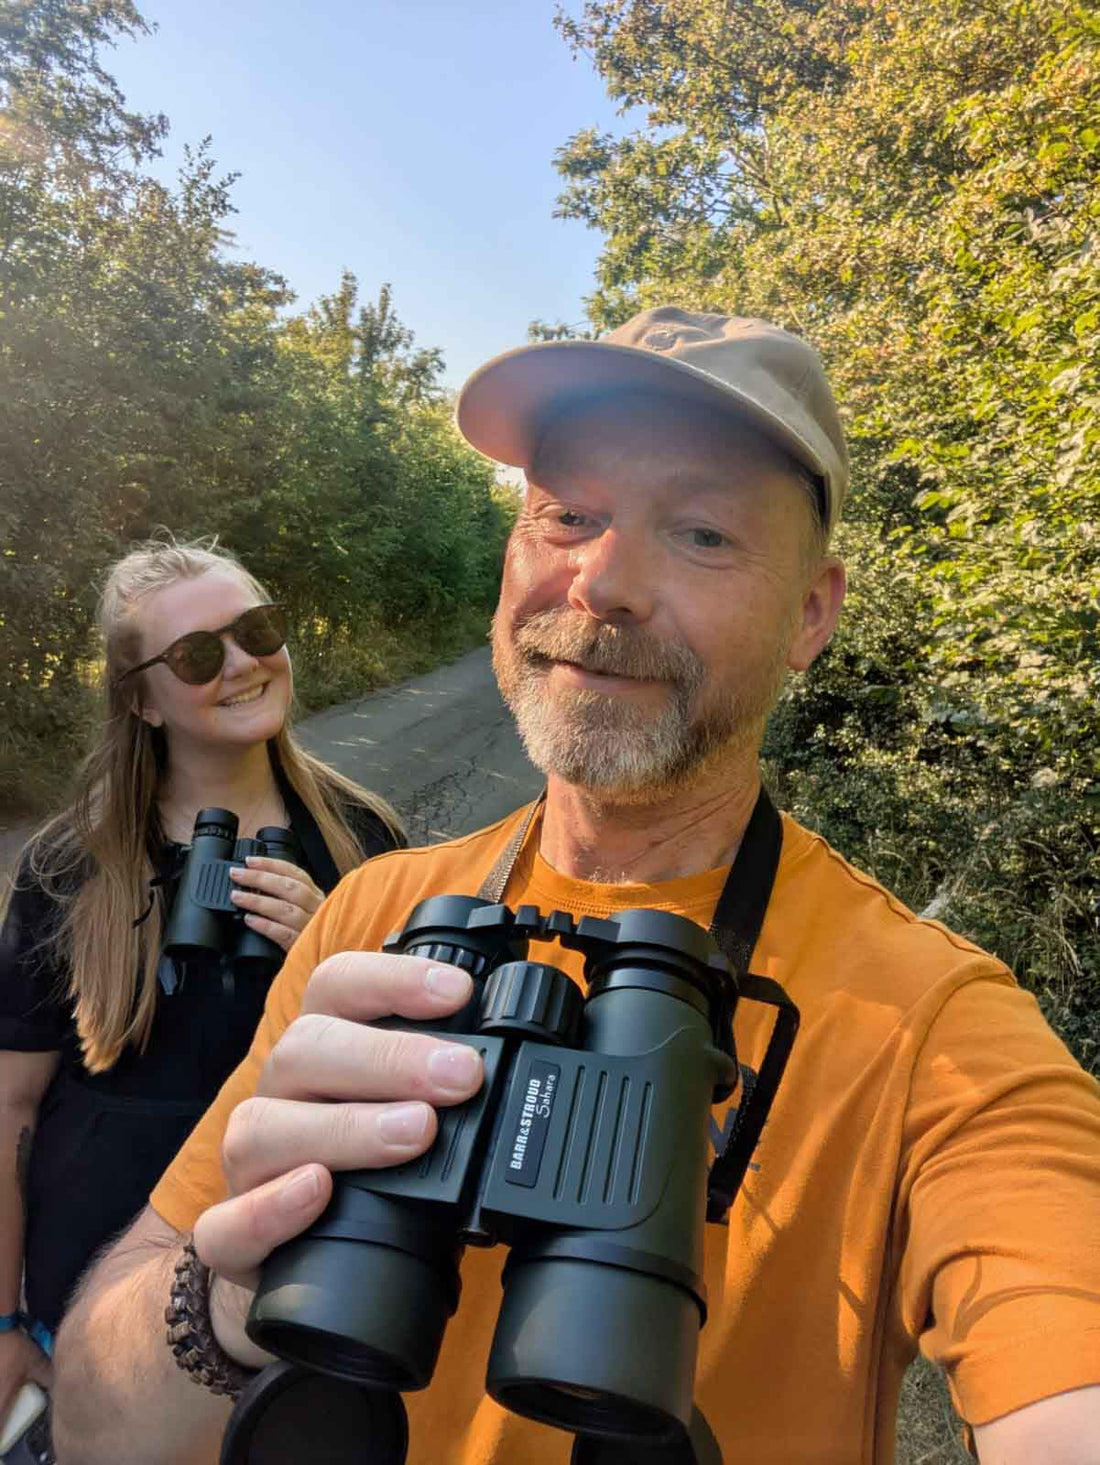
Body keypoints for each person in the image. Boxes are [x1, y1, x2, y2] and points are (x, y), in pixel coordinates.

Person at [50, 313, 1100, 1464]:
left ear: (810, 613)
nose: (601, 583)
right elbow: (103, 1430)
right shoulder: (374, 915)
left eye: (699, 533)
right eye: (565, 514)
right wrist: (232, 1301)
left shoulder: (935, 1027)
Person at [0, 536, 405, 1432]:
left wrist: (329, 955)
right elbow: (10, 1107)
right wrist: (1, 1319)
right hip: (95, 1288)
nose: (241, 662)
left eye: (256, 628)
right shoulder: (70, 866)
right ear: (141, 699)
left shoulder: (361, 839)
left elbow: (410, 1074)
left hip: (293, 1279)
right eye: (194, 654)